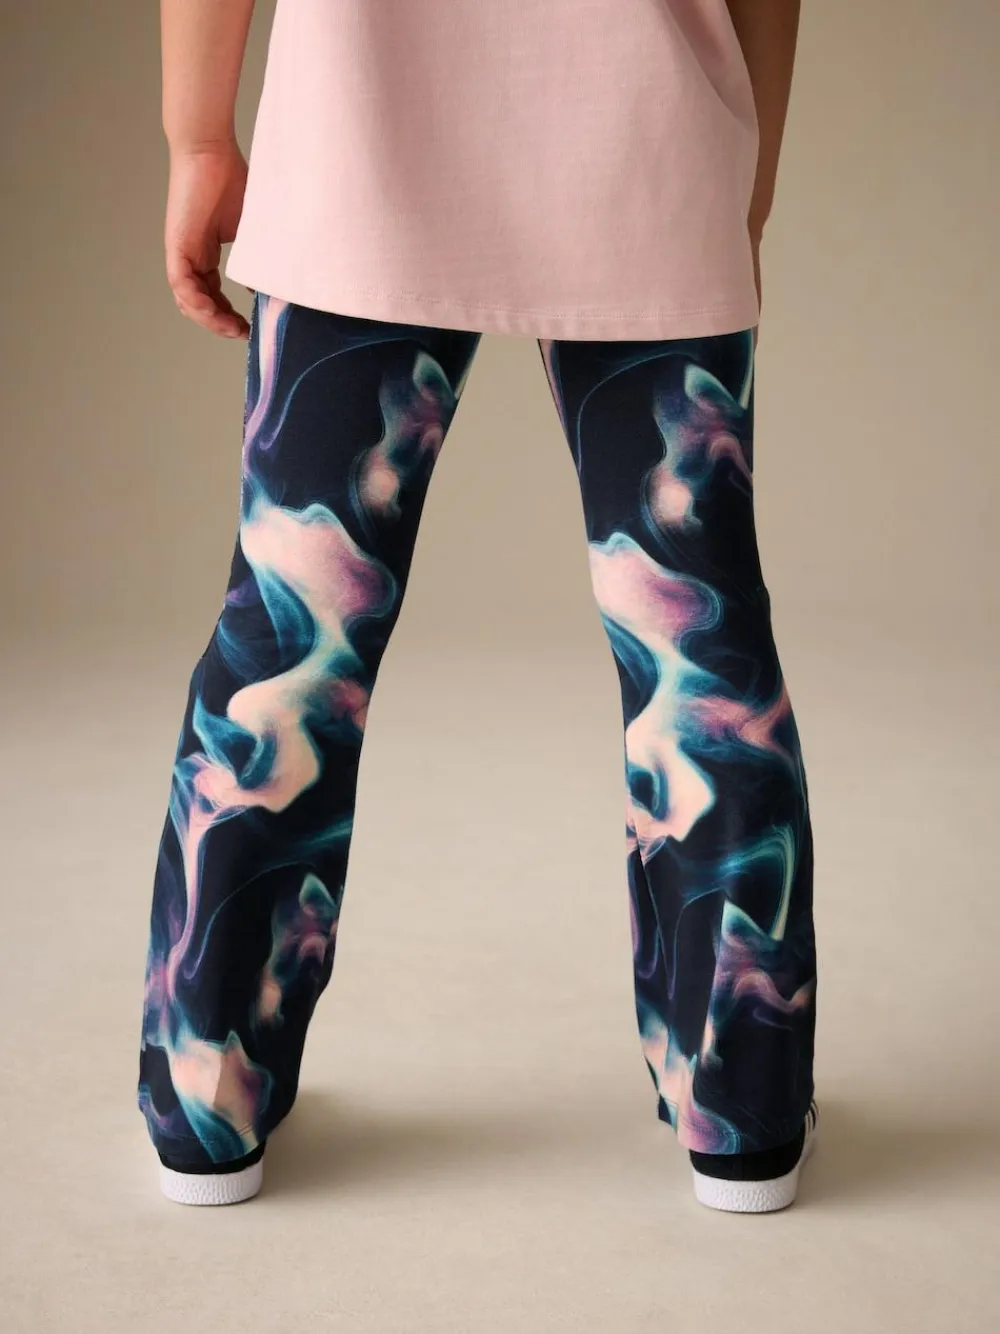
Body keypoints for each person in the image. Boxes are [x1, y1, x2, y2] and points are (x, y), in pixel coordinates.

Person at [140, 0, 818, 1214]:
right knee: (698, 647)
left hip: (360, 136)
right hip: (650, 129)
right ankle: (743, 1111)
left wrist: (197, 137)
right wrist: (747, 179)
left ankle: (206, 1099)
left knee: (292, 630)